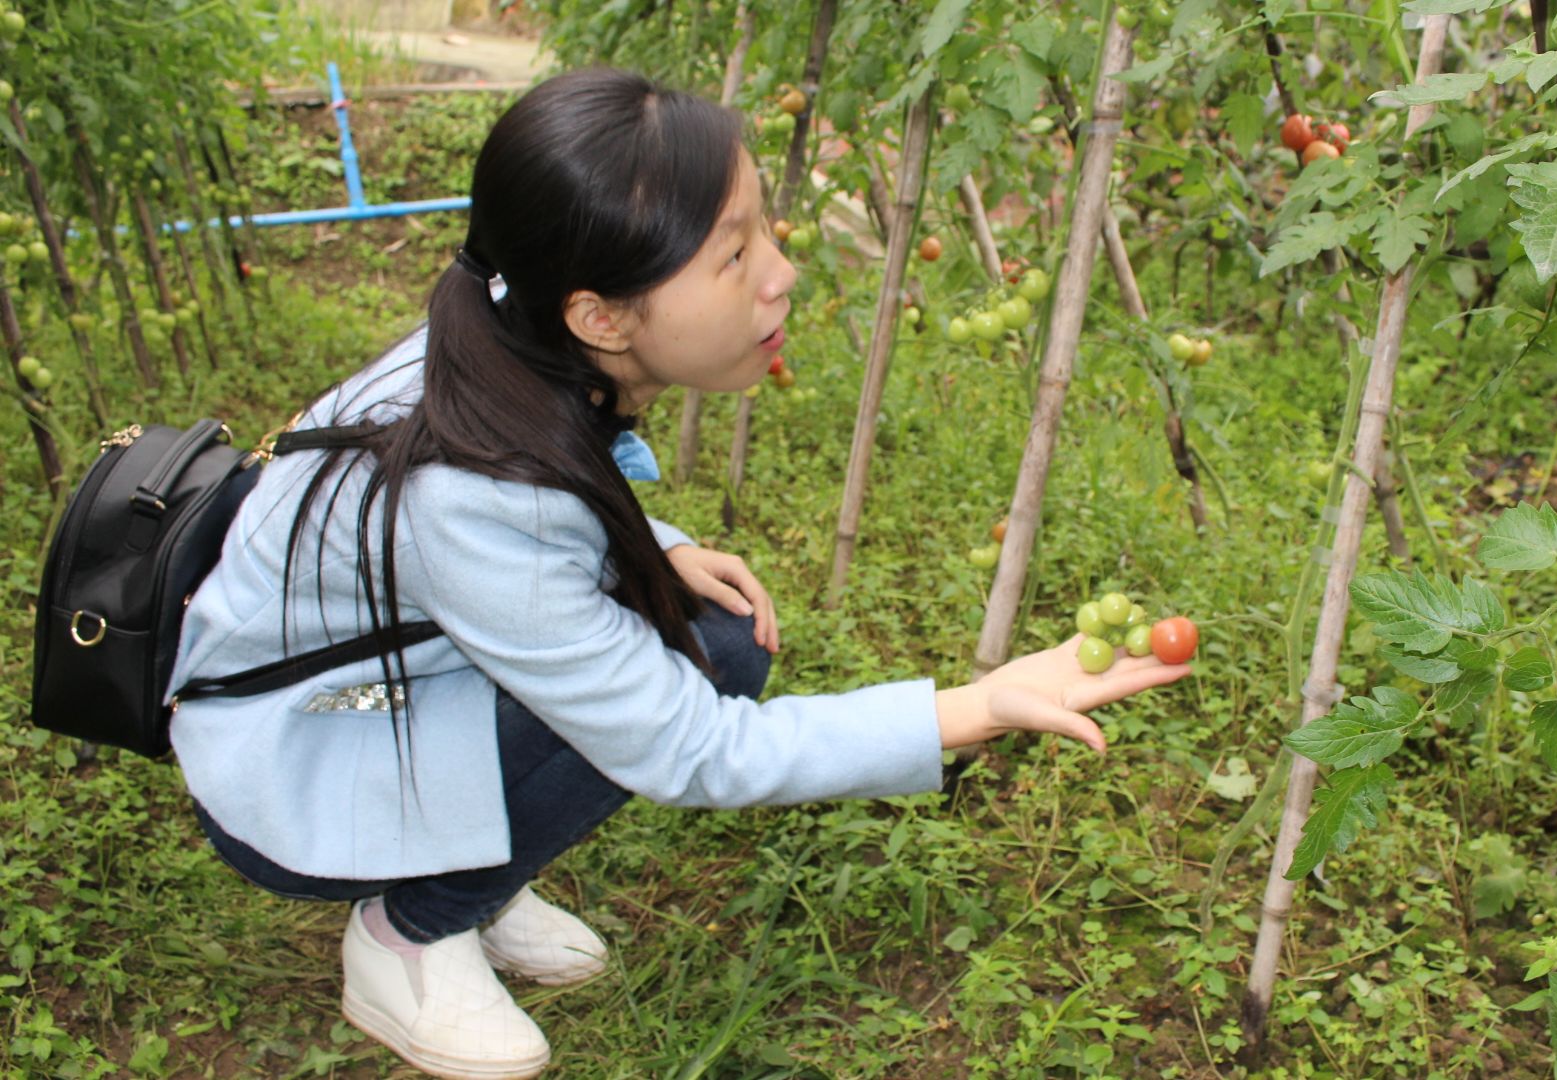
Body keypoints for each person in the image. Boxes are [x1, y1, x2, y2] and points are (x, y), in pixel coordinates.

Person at [169, 67, 1192, 1080]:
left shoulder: (501, 329)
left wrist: (648, 542)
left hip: (374, 672)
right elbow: (693, 750)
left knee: (709, 632)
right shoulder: (476, 493)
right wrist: (975, 705)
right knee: (708, 665)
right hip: (291, 749)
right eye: (733, 255)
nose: (782, 273)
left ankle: (470, 865)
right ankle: (409, 931)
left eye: (763, 232)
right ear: (601, 318)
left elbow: (517, 517)